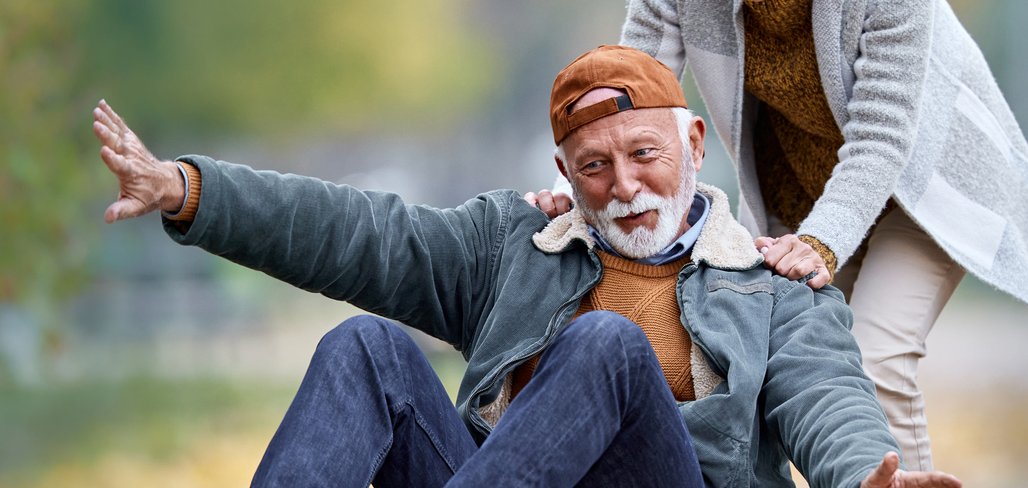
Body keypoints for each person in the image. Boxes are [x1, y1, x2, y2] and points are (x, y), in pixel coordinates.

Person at [91, 45, 960, 488]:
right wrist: (188, 190)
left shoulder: (774, 288)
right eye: (595, 167)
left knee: (606, 346)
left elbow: (830, 404)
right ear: (565, 176)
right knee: (366, 349)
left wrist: (864, 474)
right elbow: (357, 232)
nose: (625, 186)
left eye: (645, 154)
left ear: (695, 144)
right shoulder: (514, 247)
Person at [526, 0, 1028, 471]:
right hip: (799, 188)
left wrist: (823, 243)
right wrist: (573, 196)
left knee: (876, 359)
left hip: (924, 187)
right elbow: (625, 90)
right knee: (792, 373)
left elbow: (882, 134)